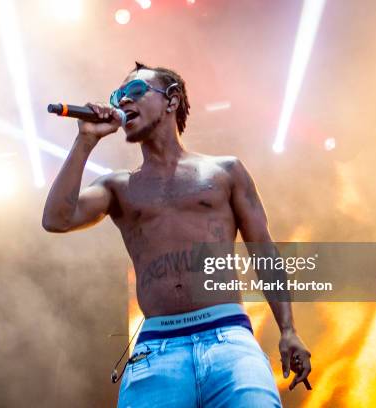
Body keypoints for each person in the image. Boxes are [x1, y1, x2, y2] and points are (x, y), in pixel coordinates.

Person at [42, 62, 311, 407]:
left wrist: (288, 329)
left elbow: (264, 253)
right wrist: (85, 141)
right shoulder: (117, 186)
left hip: (229, 339)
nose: (123, 101)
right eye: (117, 96)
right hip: (156, 350)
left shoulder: (225, 170)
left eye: (135, 92)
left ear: (172, 100)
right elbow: (56, 219)